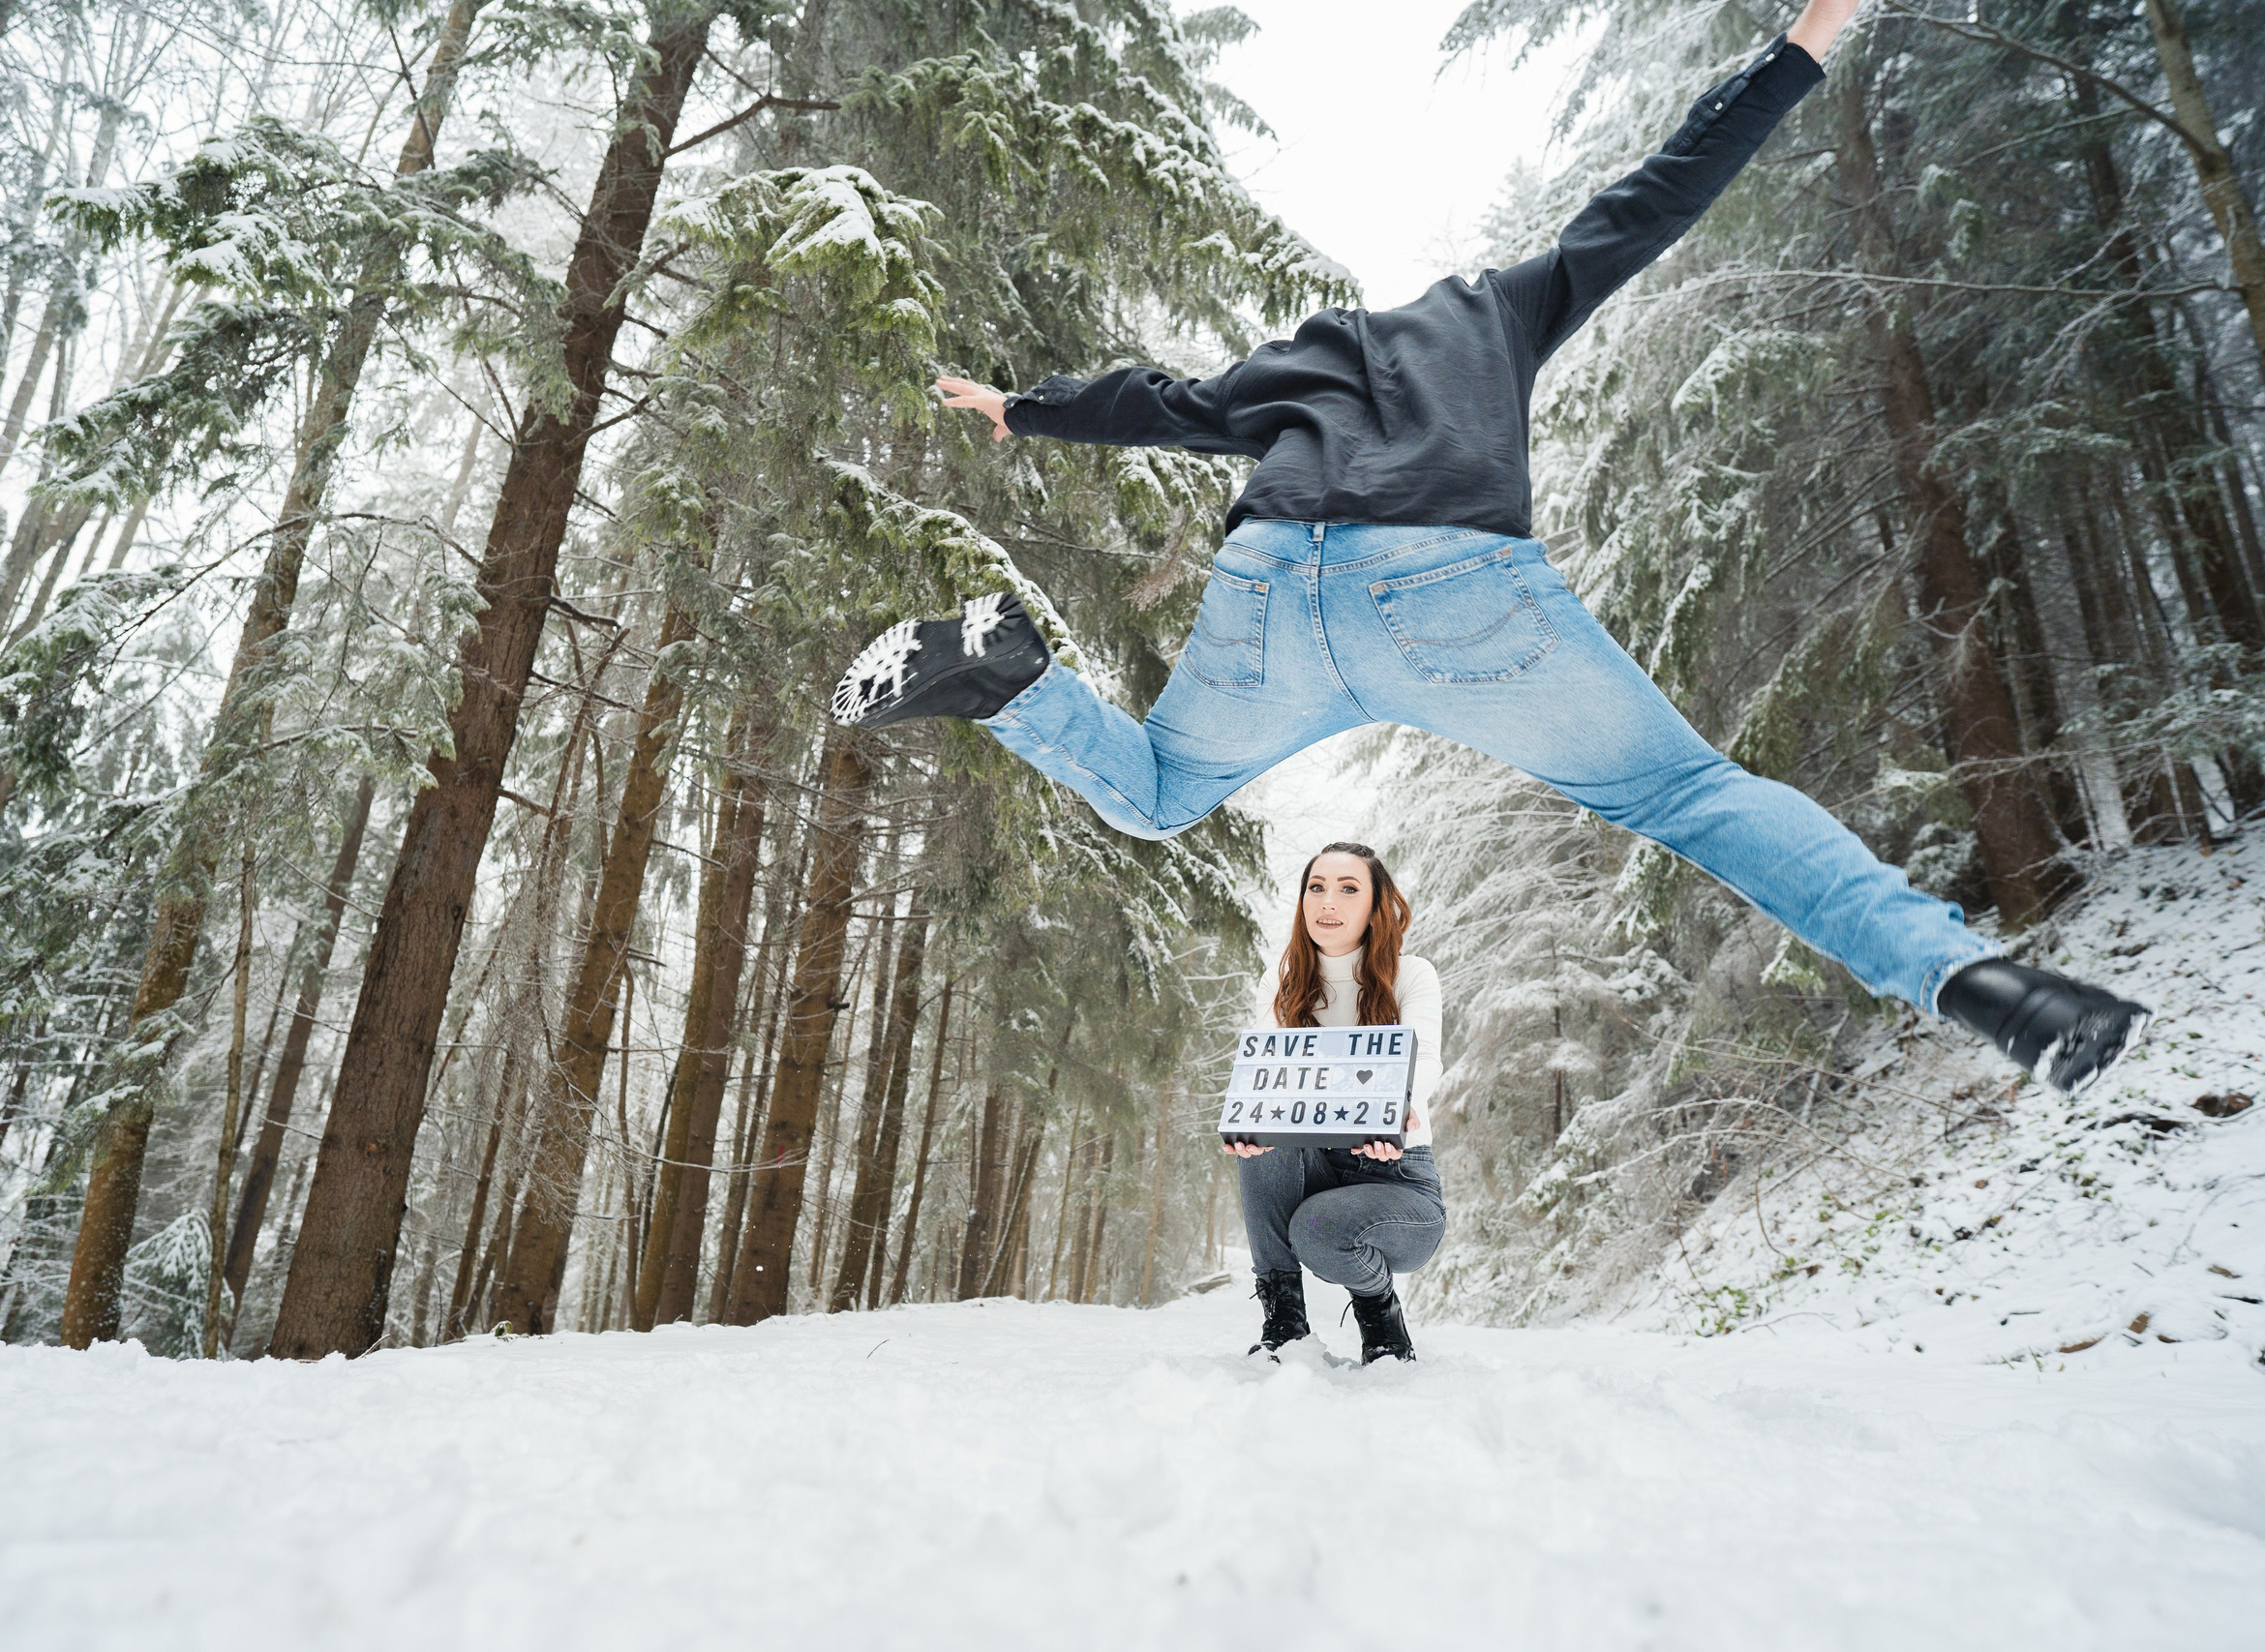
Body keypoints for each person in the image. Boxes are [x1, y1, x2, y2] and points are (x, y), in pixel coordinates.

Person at [830, 0, 2148, 1096]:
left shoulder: (1279, 375)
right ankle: (1978, 979)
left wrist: (1022, 407)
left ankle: (1008, 670)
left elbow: (1154, 402)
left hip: (1275, 590)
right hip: (1459, 590)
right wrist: (1803, 45)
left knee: (1161, 789)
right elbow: (1657, 194)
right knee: (1691, 795)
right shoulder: (1495, 310)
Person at [1230, 843, 1444, 1365]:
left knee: (1316, 1231)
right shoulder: (1282, 980)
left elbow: (1425, 1059)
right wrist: (1246, 1120)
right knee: (1264, 1126)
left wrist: (1392, 1107)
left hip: (1396, 1175)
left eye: (1349, 889)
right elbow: (1271, 1077)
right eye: (1317, 887)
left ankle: (1378, 1309)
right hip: (1313, 1159)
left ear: (1375, 907)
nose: (1328, 901)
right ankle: (1284, 1319)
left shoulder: (1411, 974)